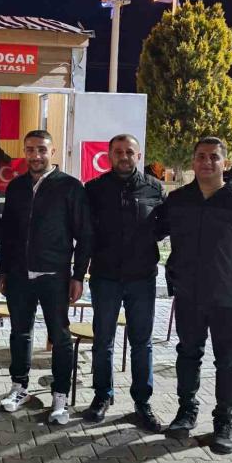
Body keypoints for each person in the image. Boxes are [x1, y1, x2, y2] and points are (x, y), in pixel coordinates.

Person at [157, 137, 232, 455]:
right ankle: (186, 412)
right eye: (201, 156)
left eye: (213, 157)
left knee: (227, 361)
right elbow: (149, 229)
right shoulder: (179, 200)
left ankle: (224, 422)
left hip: (229, 297)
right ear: (193, 161)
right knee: (187, 355)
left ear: (226, 162)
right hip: (188, 295)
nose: (207, 162)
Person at [0, 129, 92, 425]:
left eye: (41, 149)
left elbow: (85, 235)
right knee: (20, 333)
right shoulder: (16, 187)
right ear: (24, 152)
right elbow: (7, 233)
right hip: (19, 275)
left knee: (60, 337)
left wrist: (78, 275)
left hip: (55, 276)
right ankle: (19, 388)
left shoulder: (70, 187)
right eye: (30, 149)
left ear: (52, 152)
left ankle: (60, 397)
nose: (35, 155)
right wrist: (4, 271)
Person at [83, 134, 165, 432]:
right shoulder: (94, 189)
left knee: (141, 342)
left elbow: (163, 228)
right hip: (105, 277)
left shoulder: (154, 188)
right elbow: (86, 234)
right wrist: (77, 273)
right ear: (109, 155)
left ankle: (142, 402)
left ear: (138, 155)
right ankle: (102, 396)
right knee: (103, 340)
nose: (124, 156)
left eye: (129, 152)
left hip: (141, 278)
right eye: (118, 152)